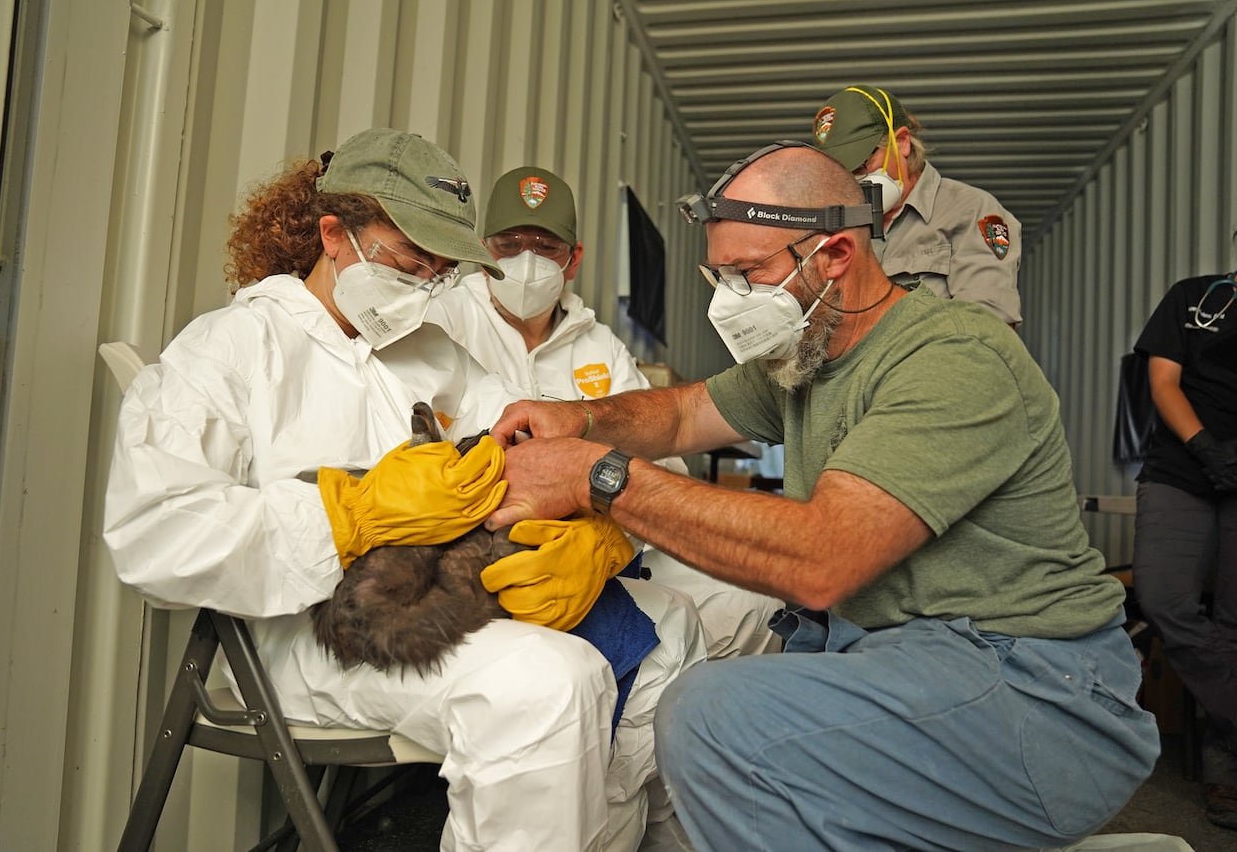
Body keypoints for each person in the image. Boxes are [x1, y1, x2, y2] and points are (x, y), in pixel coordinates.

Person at [484, 141, 1160, 850]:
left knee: (711, 716)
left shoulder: (955, 356)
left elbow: (823, 560)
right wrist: (581, 418)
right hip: (908, 658)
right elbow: (682, 413)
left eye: (749, 273)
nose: (730, 299)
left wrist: (599, 473)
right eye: (720, 274)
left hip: (1039, 691)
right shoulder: (805, 355)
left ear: (835, 254)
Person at [103, 127, 706, 851]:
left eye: (439, 270)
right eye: (407, 260)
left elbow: (539, 453)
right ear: (334, 234)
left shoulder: (429, 352)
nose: (424, 285)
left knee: (671, 627)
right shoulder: (232, 348)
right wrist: (348, 514)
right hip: (299, 631)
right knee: (548, 683)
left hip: (435, 603)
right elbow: (151, 534)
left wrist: (599, 539)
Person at [426, 164, 782, 659]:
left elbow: (662, 462)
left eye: (545, 246)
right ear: (486, 251)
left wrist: (608, 538)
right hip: (488, 539)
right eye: (509, 244)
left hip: (600, 532)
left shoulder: (599, 344)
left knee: (752, 603)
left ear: (574, 260)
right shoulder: (443, 321)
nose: (526, 260)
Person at [1132, 271, 1237, 830]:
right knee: (1163, 597)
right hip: (1181, 469)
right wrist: (1206, 448)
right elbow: (1164, 381)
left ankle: (1224, 769)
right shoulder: (1196, 297)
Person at [809, 83, 1023, 326]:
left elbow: (988, 324)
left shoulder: (970, 210)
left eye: (861, 165)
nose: (854, 180)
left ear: (902, 142)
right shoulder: (836, 224)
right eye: (841, 172)